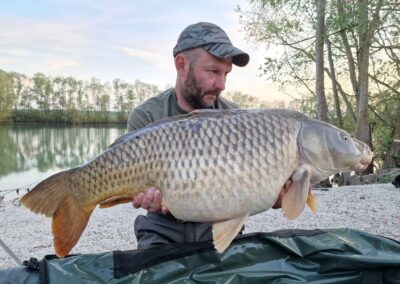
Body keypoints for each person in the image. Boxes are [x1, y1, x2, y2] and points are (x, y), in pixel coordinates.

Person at [127, 22, 286, 249]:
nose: (221, 84)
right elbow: (138, 190)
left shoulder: (236, 119)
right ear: (182, 65)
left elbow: (248, 181)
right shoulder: (147, 116)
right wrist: (146, 197)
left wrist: (278, 195)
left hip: (221, 223)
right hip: (162, 226)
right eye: (212, 71)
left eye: (226, 74)